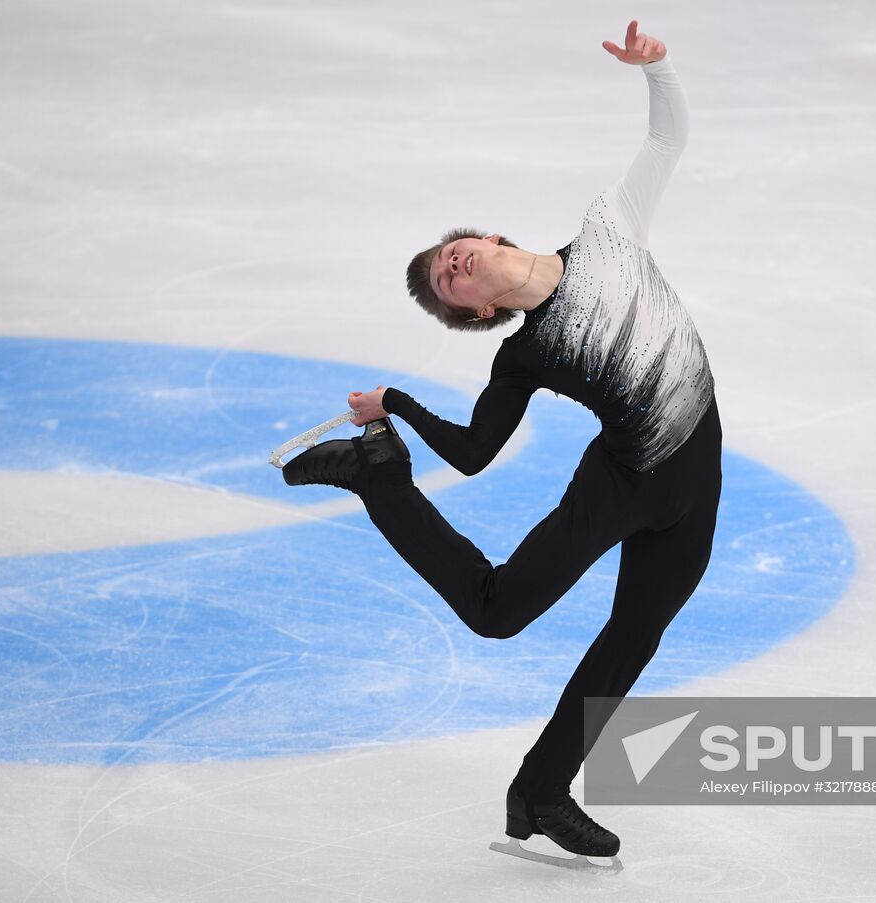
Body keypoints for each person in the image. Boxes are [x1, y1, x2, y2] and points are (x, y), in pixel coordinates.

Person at [283, 20, 720, 862]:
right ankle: (378, 482)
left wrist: (657, 67)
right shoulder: (523, 355)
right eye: (450, 281)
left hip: (697, 476)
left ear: (491, 241)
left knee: (637, 633)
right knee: (497, 612)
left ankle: (541, 790)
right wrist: (397, 407)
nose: (457, 265)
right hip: (623, 481)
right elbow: (478, 451)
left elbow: (668, 136)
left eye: (455, 252)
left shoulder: (608, 228)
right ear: (477, 312)